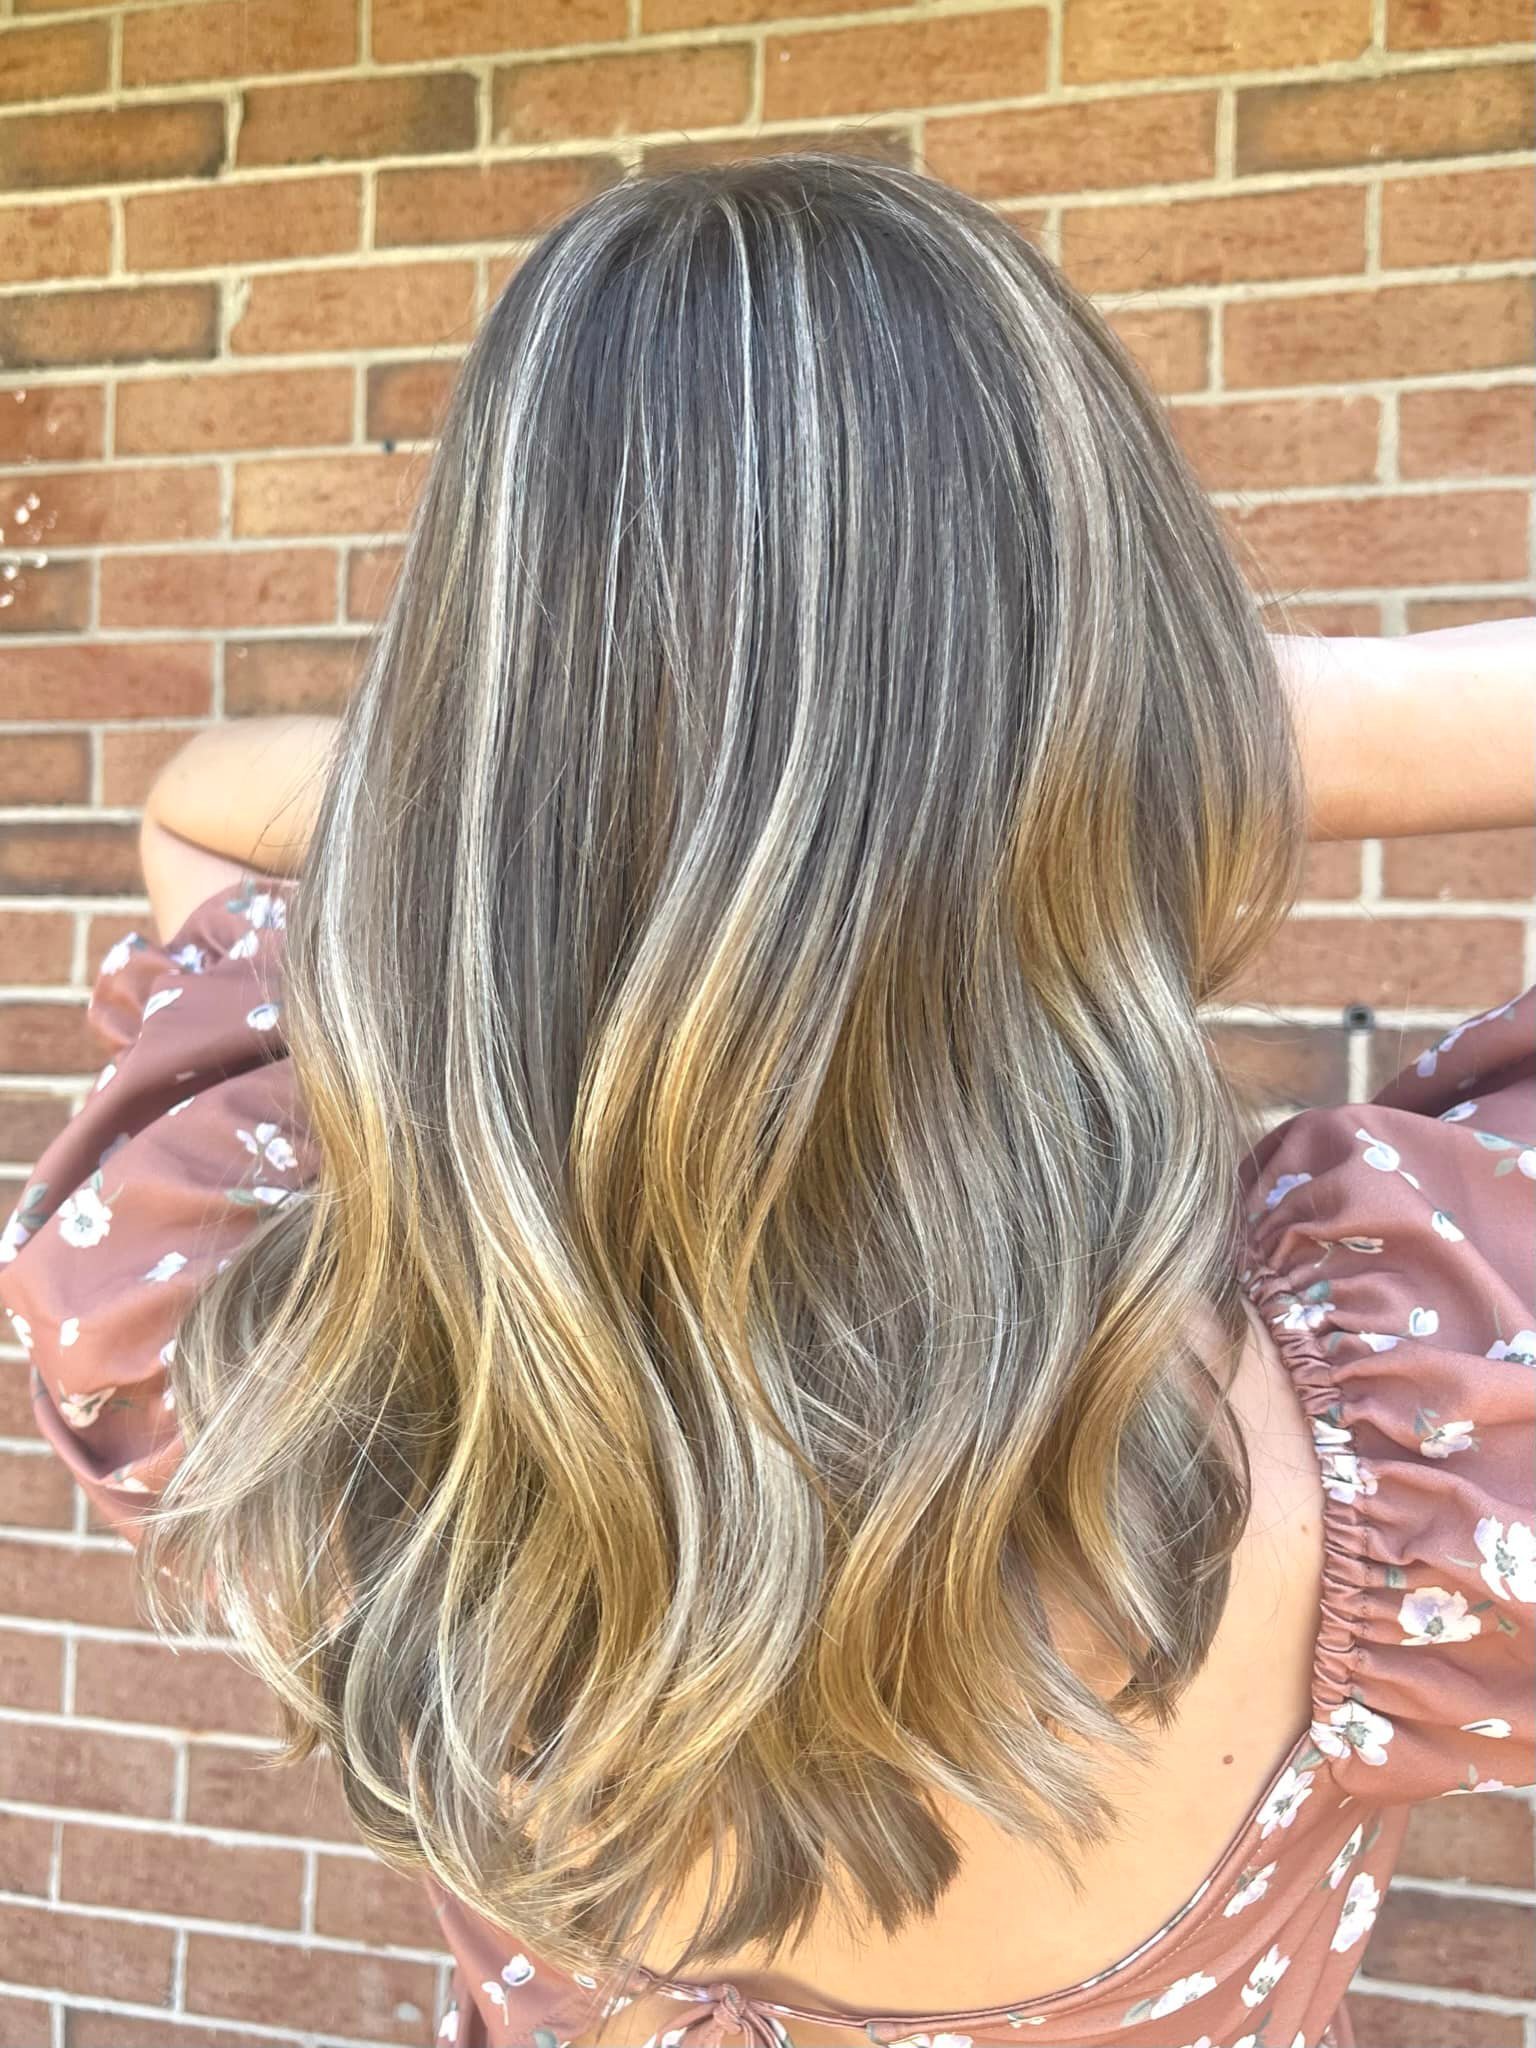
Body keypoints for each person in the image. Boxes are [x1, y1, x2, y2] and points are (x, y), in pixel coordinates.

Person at [1, 154, 1532, 2048]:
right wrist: (1148, 724)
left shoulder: (264, 1329)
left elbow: (199, 815)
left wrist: (565, 762)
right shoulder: (1429, 1415)